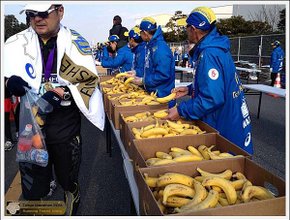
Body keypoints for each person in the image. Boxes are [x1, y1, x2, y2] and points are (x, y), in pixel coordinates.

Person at [4, 3, 105, 215]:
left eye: (43, 13)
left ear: (60, 11)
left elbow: (88, 82)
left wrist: (63, 93)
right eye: (32, 15)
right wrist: (8, 83)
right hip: (29, 121)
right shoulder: (15, 43)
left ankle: (70, 202)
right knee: (32, 184)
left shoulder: (77, 42)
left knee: (67, 177)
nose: (37, 19)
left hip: (64, 122)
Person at [166, 7, 253, 154]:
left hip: (225, 129)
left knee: (231, 171)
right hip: (233, 122)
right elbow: (218, 84)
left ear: (193, 29)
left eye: (186, 27)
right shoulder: (217, 48)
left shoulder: (209, 54)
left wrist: (181, 110)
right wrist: (190, 89)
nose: (185, 31)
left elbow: (213, 98)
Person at [131, 17, 176, 108]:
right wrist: (136, 72)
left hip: (162, 97)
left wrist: (143, 81)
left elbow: (163, 74)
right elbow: (149, 68)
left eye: (140, 32)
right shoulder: (151, 46)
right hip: (154, 95)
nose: (140, 35)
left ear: (145, 33)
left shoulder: (160, 49)